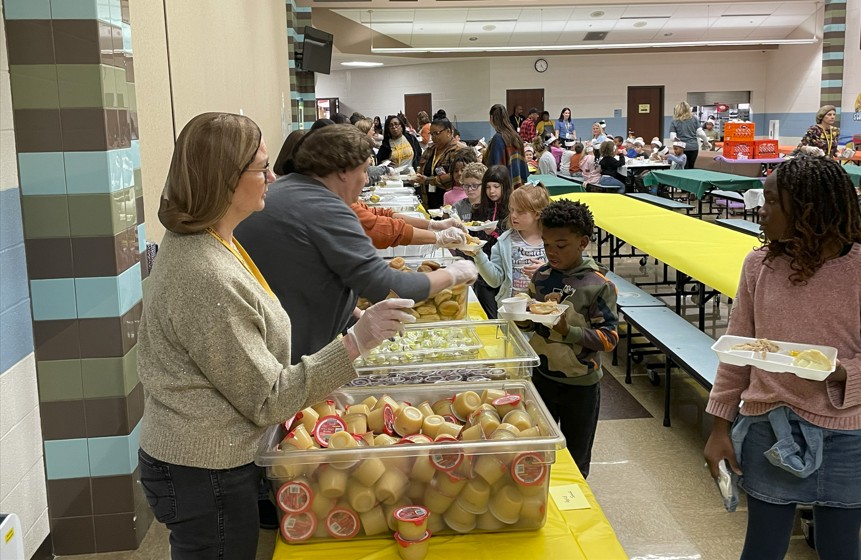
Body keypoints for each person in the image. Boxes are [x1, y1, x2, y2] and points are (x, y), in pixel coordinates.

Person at [137, 113, 417, 559]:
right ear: (226, 180)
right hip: (203, 466)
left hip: (209, 459)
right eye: (261, 168)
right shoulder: (204, 271)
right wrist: (356, 342)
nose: (272, 176)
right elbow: (268, 397)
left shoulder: (216, 239)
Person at [704, 156, 861, 560]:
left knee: (839, 545)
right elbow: (738, 347)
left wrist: (844, 371)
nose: (761, 208)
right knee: (762, 546)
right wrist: (719, 427)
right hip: (770, 423)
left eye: (772, 201)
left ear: (808, 207)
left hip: (848, 433)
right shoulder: (760, 265)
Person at [235, 124, 477, 362]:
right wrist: (455, 273)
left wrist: (353, 314)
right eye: (363, 170)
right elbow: (388, 286)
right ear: (343, 171)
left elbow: (308, 269)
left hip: (265, 338)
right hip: (288, 352)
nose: (364, 180)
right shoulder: (326, 208)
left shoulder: (288, 188)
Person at [521, 199, 619, 477]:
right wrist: (522, 315)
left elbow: (609, 338)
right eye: (546, 245)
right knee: (539, 451)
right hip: (541, 377)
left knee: (576, 460)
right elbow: (531, 321)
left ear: (582, 242)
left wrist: (569, 331)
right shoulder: (542, 276)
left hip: (580, 385)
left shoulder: (598, 285)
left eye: (560, 245)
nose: (552, 252)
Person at [467, 184, 551, 312]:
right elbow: (495, 280)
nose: (514, 215)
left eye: (520, 212)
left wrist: (547, 270)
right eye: (512, 210)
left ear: (537, 214)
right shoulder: (504, 242)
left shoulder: (552, 240)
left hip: (545, 310)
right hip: (512, 312)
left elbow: (567, 273)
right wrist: (477, 254)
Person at [459, 165, 513, 318]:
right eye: (488, 187)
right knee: (487, 312)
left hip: (504, 269)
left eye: (496, 186)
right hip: (482, 268)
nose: (492, 191)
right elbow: (473, 237)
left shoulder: (511, 210)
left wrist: (494, 233)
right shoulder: (479, 209)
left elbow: (511, 239)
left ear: (505, 186)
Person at [414, 117, 461, 208]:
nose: (433, 137)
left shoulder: (458, 151)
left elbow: (456, 176)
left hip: (450, 201)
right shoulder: (431, 150)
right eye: (432, 134)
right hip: (429, 199)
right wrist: (418, 177)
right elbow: (421, 168)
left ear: (448, 132)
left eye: (436, 133)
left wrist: (429, 180)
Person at [484, 103, 529, 189]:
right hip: (518, 186)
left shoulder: (498, 138)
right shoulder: (516, 136)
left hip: (505, 188)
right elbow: (523, 167)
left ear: (491, 118)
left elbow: (495, 168)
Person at [669, 101, 709, 169]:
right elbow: (701, 133)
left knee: (681, 167)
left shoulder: (674, 121)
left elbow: (672, 138)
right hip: (693, 147)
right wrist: (706, 143)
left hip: (681, 148)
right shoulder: (694, 119)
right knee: (691, 167)